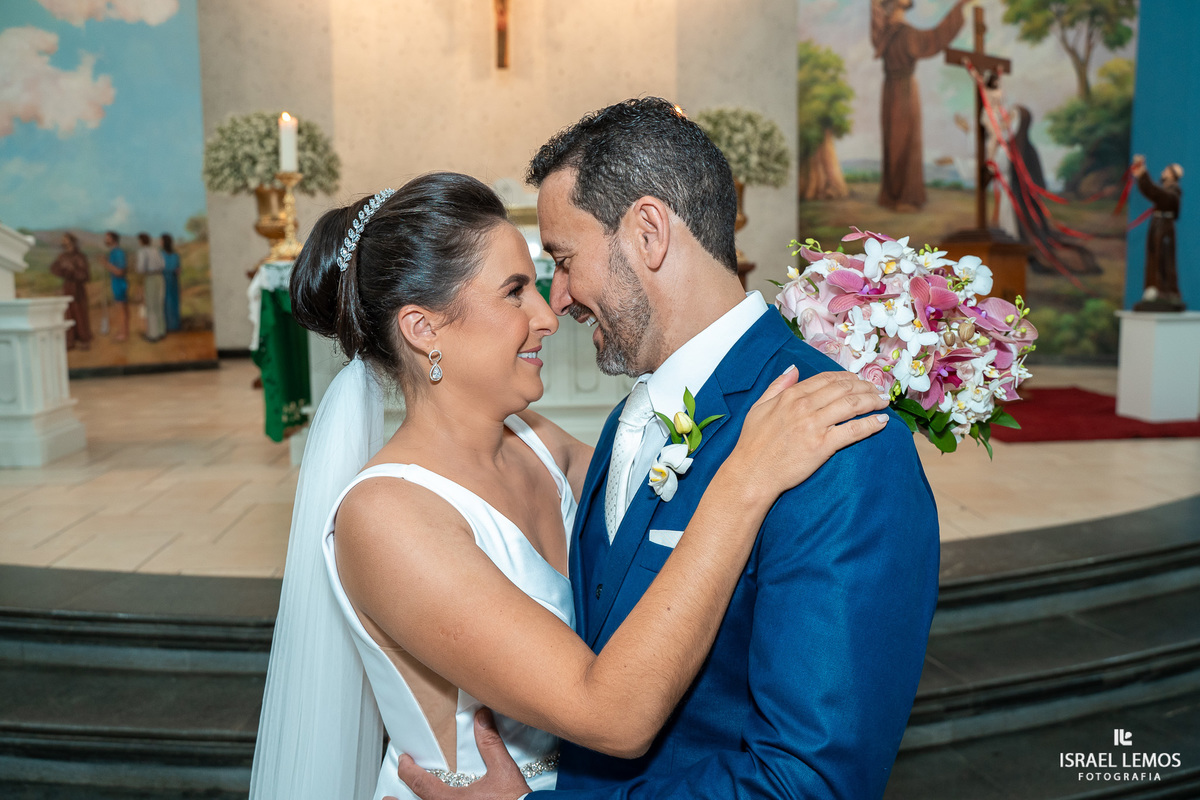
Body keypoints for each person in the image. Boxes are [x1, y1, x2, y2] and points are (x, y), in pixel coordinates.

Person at [249, 171, 890, 800]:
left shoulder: (539, 443)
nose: (549, 313)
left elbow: (676, 491)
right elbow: (612, 715)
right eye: (514, 291)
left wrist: (827, 362)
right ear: (424, 328)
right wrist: (747, 481)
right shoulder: (387, 516)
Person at [396, 98, 940, 800]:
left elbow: (805, 783)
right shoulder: (630, 420)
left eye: (564, 260)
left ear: (648, 232)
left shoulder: (842, 447)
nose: (556, 301)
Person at [872, 0, 968, 211]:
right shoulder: (905, 34)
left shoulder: (886, 34)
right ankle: (906, 198)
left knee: (895, 140)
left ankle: (892, 196)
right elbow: (933, 39)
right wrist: (958, 9)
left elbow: (931, 39)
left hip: (889, 90)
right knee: (905, 140)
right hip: (904, 90)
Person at [1132, 155, 1185, 311]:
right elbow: (1151, 192)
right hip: (1157, 224)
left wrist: (1143, 175)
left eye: (1167, 171)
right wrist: (1141, 176)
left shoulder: (1173, 191)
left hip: (1165, 226)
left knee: (1164, 258)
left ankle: (1167, 291)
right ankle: (1154, 288)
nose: (1163, 172)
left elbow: (1156, 193)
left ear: (1172, 174)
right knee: (1154, 256)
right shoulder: (1165, 190)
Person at [49, 232, 93, 350]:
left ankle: (84, 340)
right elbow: (54, 268)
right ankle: (70, 340)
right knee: (68, 313)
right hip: (67, 287)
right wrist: (63, 270)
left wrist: (73, 270)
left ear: (71, 242)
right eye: (63, 240)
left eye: (65, 240)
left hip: (78, 288)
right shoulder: (63, 256)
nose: (63, 242)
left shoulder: (80, 256)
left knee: (80, 313)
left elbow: (86, 275)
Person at [136, 232, 167, 342]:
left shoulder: (142, 251)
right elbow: (163, 265)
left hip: (150, 278)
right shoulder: (156, 250)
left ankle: (153, 335)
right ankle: (161, 331)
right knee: (159, 304)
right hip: (160, 278)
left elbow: (140, 269)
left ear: (141, 241)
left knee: (151, 306)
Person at [102, 230, 129, 342]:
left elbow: (119, 272)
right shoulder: (113, 252)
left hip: (119, 283)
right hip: (116, 283)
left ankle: (123, 333)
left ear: (113, 239)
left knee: (121, 309)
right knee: (121, 308)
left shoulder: (118, 252)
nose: (105, 240)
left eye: (107, 238)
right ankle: (123, 331)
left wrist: (105, 264)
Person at [161, 233, 182, 332]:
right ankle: (172, 325)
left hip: (167, 281)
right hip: (171, 280)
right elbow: (178, 269)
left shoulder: (161, 255)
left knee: (169, 302)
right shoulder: (175, 255)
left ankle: (171, 326)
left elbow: (178, 270)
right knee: (170, 303)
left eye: (161, 241)